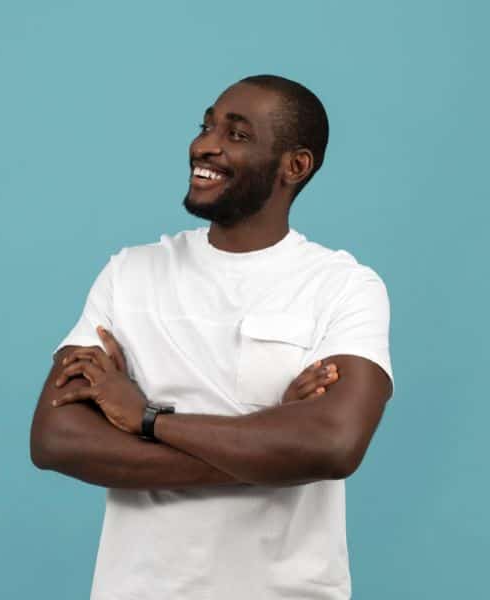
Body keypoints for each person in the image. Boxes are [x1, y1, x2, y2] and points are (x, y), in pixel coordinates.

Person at [29, 74, 394, 600]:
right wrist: (269, 447)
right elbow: (56, 439)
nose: (205, 144)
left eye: (238, 134)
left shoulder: (343, 287)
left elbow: (333, 446)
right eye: (206, 125)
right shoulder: (129, 274)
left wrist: (147, 420)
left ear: (295, 166)